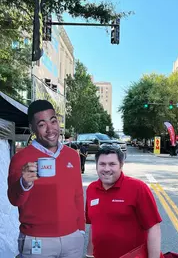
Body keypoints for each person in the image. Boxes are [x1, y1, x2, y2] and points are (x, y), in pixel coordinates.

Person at [8, 100, 85, 258]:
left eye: (53, 121)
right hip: (37, 240)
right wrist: (24, 183)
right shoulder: (20, 158)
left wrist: (81, 230)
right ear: (33, 128)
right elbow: (14, 200)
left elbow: (77, 195)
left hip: (72, 239)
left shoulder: (72, 155)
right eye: (42, 124)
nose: (51, 129)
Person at [85, 144, 162, 258]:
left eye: (112, 164)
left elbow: (153, 228)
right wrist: (89, 255)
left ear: (121, 165)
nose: (106, 169)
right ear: (96, 166)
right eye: (102, 164)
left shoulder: (138, 188)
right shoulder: (92, 189)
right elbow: (94, 225)